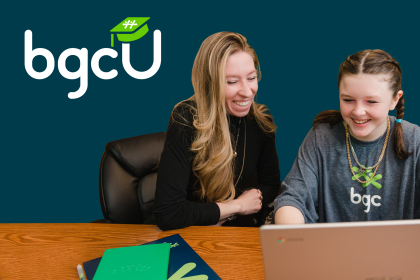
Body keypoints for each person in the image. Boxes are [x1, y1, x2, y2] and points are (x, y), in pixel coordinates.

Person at [152, 32, 281, 230]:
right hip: (188, 235)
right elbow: (169, 213)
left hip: (232, 235)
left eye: (251, 78)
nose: (247, 91)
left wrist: (232, 211)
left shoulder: (260, 120)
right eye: (232, 82)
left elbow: (271, 185)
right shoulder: (185, 117)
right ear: (209, 84)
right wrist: (236, 206)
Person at [274, 49, 420, 224]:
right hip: (329, 250)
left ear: (394, 99)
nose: (358, 112)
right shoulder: (321, 137)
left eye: (371, 102)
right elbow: (293, 198)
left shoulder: (415, 141)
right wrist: (291, 232)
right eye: (348, 100)